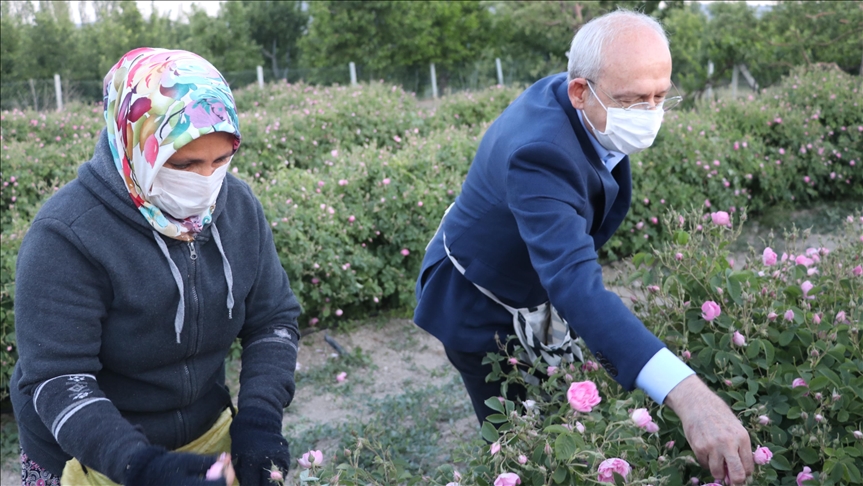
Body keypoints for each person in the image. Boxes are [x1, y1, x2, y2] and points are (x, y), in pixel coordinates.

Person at [414, 10, 755, 486]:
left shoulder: (588, 96)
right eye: (633, 100)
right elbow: (576, 284)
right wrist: (689, 394)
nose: (650, 114)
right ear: (580, 91)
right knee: (520, 443)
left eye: (660, 96)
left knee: (562, 409)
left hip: (532, 280)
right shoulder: (538, 153)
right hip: (476, 301)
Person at [11, 48, 300, 486]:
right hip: (88, 452)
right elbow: (58, 378)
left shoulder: (237, 207)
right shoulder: (66, 234)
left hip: (205, 431)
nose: (206, 182)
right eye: (184, 164)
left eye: (221, 160)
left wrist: (259, 419)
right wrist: (142, 467)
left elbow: (272, 321)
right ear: (136, 146)